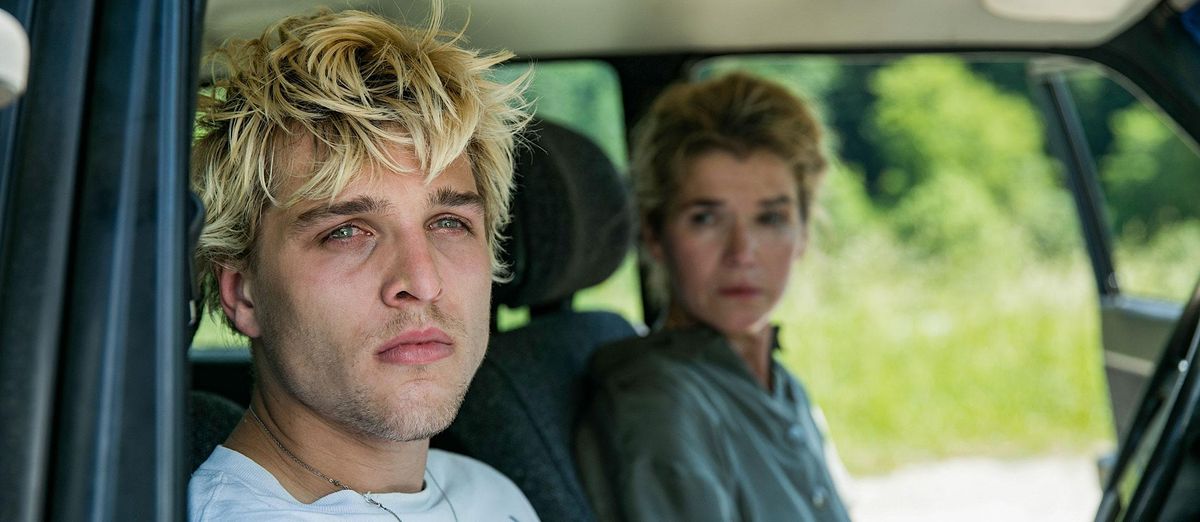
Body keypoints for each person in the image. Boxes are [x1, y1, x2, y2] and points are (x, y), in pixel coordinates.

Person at [187, 8, 539, 521]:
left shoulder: (489, 493)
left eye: (448, 223)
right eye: (346, 232)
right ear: (243, 293)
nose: (422, 281)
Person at [575, 72, 851, 522]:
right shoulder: (660, 400)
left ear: (802, 232)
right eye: (705, 218)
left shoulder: (780, 385)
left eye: (770, 219)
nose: (742, 253)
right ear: (655, 234)